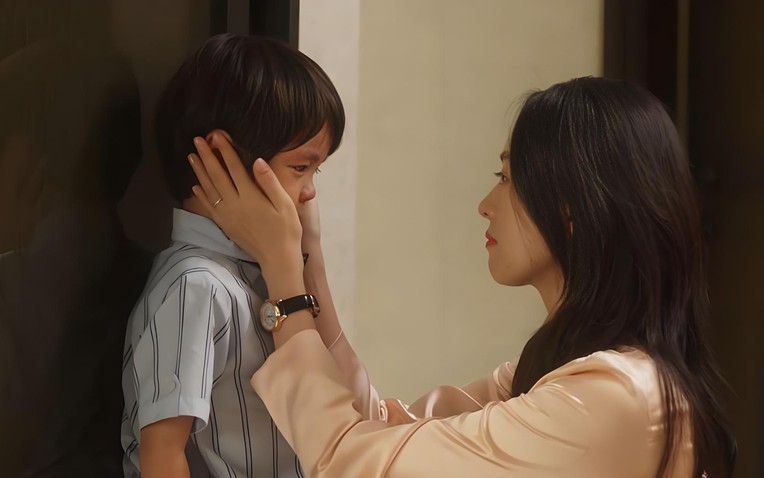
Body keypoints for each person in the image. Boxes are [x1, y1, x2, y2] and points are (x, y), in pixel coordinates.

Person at [188, 77, 736, 477]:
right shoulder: (561, 372)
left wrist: (283, 279)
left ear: (571, 210)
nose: (486, 203)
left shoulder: (615, 397)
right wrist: (310, 263)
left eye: (508, 177)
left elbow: (354, 463)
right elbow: (385, 427)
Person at [120, 33, 345, 477]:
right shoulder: (197, 286)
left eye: (316, 171)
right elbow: (161, 456)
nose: (310, 191)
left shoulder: (253, 274)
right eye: (301, 167)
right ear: (221, 158)